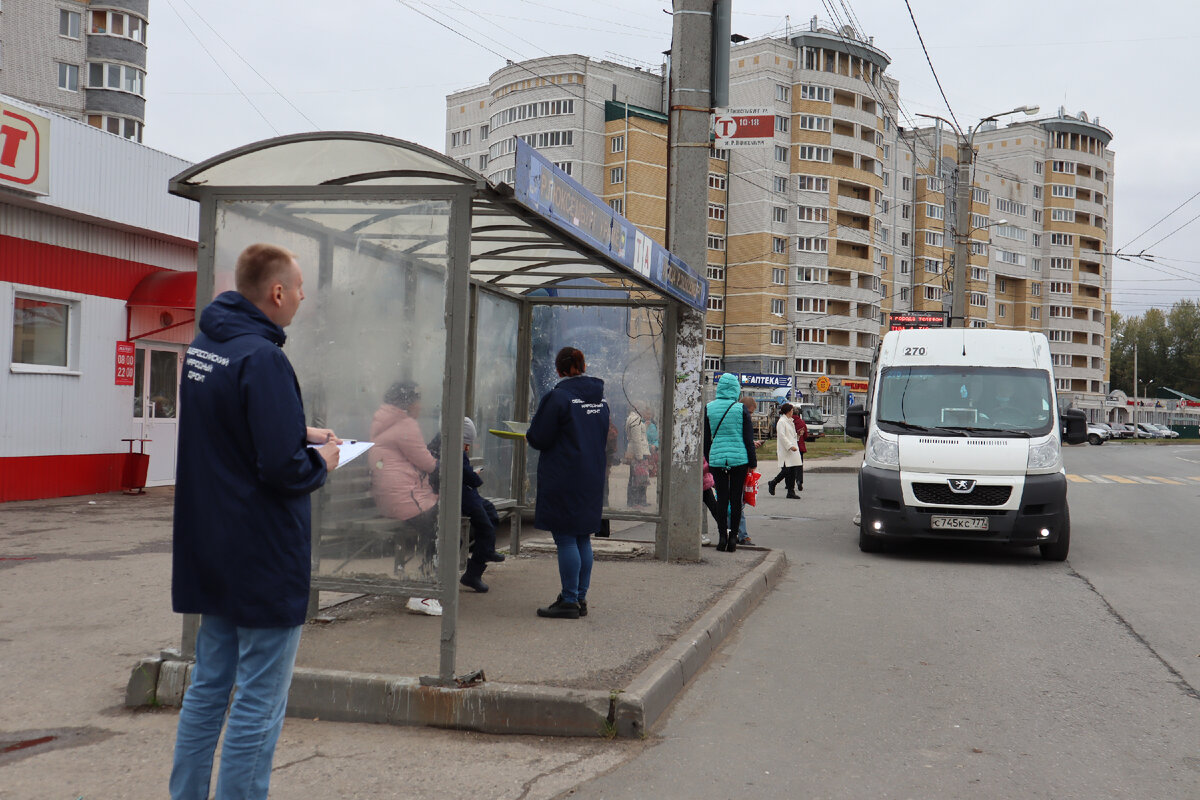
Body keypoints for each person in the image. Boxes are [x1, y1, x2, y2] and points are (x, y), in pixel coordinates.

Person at [170, 243, 341, 800]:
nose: (302, 296)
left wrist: (299, 429)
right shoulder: (264, 358)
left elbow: (229, 429)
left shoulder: (207, 344)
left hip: (213, 549)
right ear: (276, 292)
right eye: (298, 287)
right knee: (259, 701)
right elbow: (282, 468)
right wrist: (321, 458)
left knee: (209, 688)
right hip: (262, 555)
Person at [526, 346, 610, 619]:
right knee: (582, 536)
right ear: (583, 367)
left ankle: (569, 601)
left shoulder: (558, 397)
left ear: (559, 369)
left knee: (564, 537)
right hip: (591, 475)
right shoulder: (601, 400)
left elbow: (538, 437)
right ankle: (579, 597)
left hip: (564, 475)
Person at [369, 380, 442, 616]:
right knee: (441, 527)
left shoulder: (381, 420)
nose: (421, 406)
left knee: (440, 523)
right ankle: (423, 592)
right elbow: (428, 463)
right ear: (409, 402)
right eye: (419, 400)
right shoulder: (405, 424)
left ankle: (425, 585)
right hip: (406, 500)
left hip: (387, 498)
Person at [704, 373, 756, 552]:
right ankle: (733, 538)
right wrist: (752, 462)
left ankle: (721, 538)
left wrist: (710, 457)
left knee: (721, 499)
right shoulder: (740, 408)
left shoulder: (709, 408)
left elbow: (705, 440)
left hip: (717, 459)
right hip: (739, 459)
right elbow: (749, 438)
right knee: (735, 500)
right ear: (735, 389)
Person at [458, 417, 506, 593]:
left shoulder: (454, 446)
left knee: (491, 512)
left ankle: (487, 550)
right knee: (485, 527)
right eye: (466, 444)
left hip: (467, 494)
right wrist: (475, 477)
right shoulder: (453, 449)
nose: (467, 448)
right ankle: (474, 571)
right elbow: (464, 473)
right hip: (463, 496)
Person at [768, 403, 803, 498]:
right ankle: (773, 482)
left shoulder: (789, 421)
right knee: (786, 470)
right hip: (786, 449)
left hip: (792, 450)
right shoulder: (782, 421)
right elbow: (782, 436)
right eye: (792, 411)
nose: (793, 412)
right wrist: (790, 446)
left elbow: (791, 435)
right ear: (788, 411)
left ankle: (790, 491)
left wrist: (798, 435)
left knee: (792, 471)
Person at [625, 405, 651, 507]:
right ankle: (635, 502)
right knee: (637, 478)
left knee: (637, 477)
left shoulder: (634, 419)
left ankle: (637, 501)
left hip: (637, 452)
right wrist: (640, 456)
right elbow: (636, 439)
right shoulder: (635, 420)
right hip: (638, 453)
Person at [791, 407, 809, 492]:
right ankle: (799, 481)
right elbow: (805, 435)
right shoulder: (802, 422)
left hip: (790, 447)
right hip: (800, 446)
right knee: (799, 465)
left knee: (790, 465)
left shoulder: (789, 422)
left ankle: (789, 483)